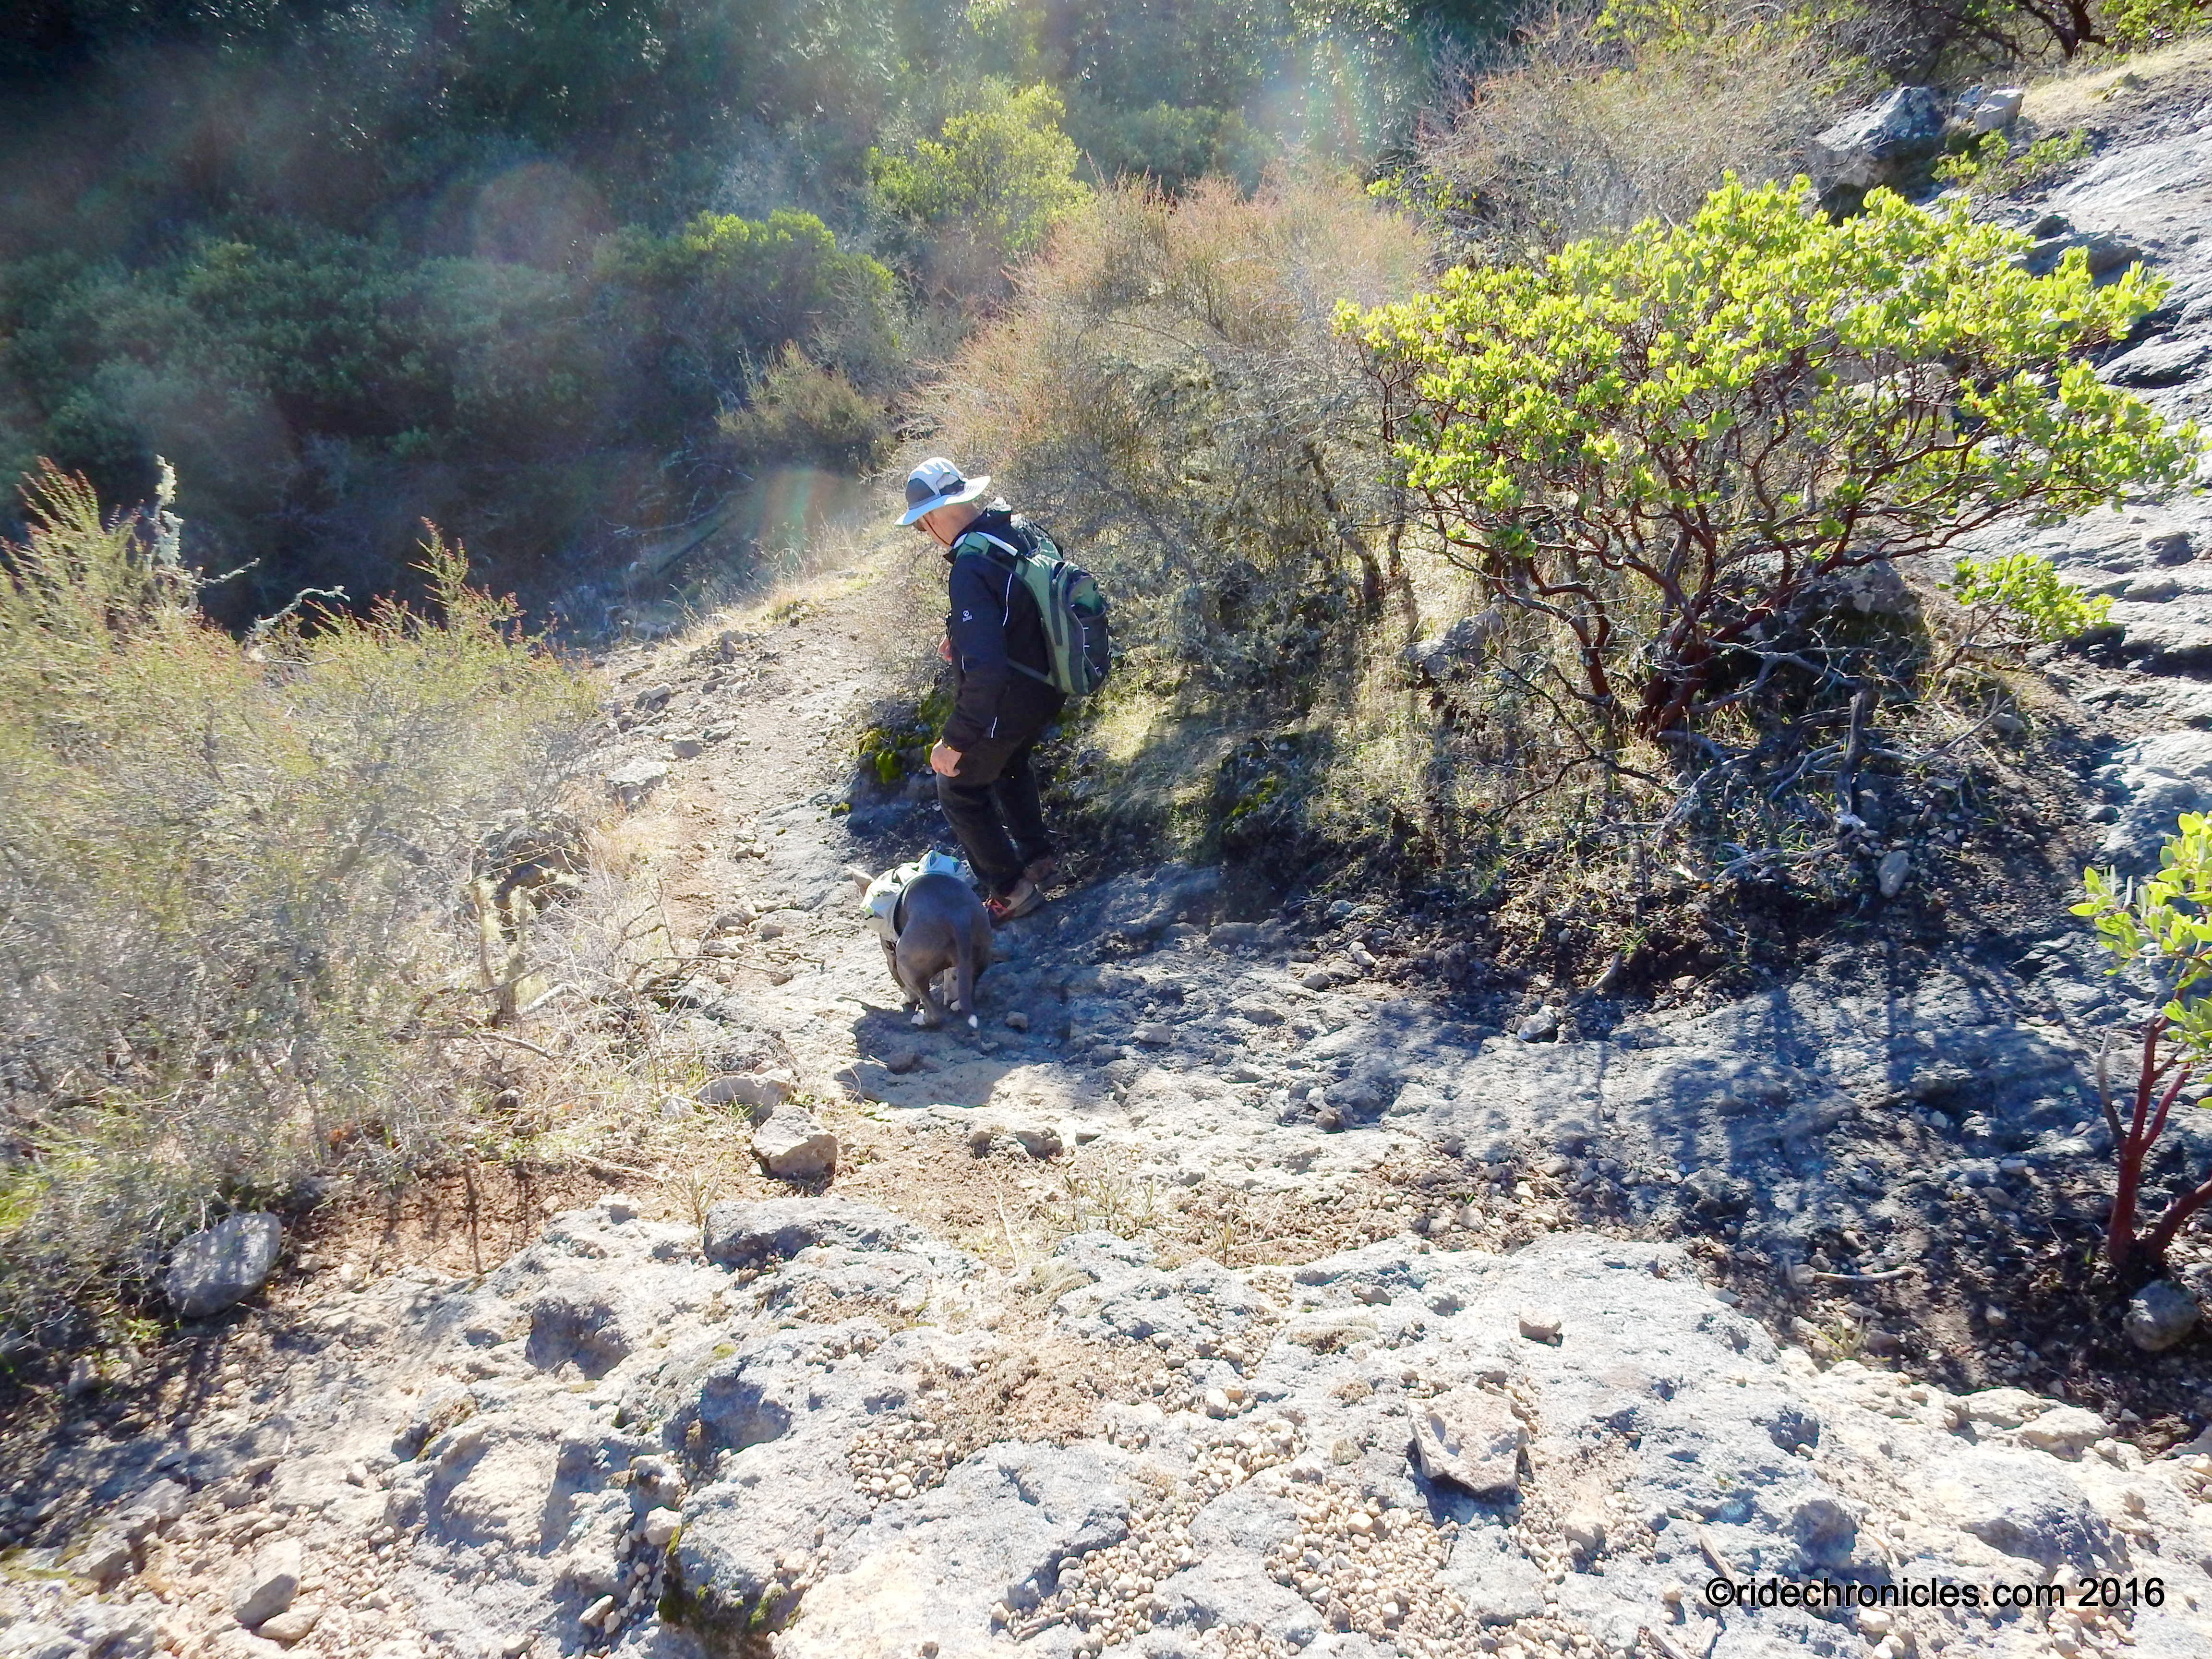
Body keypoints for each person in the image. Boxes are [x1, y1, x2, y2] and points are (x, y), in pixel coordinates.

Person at [898, 456, 1061, 923]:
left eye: (920, 525)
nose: (925, 534)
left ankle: (1010, 890)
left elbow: (987, 672)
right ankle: (1039, 860)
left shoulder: (969, 566)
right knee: (1010, 762)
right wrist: (964, 637)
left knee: (957, 787)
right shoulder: (1017, 529)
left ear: (933, 517)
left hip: (1010, 698)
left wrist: (955, 741)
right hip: (1051, 686)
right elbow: (1024, 605)